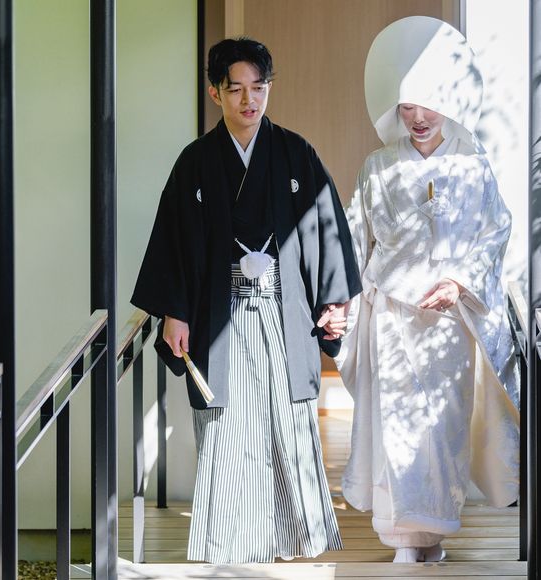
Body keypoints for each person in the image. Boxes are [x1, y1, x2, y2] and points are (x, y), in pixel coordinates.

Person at [132, 37, 362, 564]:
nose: (249, 100)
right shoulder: (195, 162)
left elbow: (327, 228)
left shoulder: (296, 153)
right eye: (235, 89)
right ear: (216, 92)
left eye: (259, 88)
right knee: (228, 429)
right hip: (220, 318)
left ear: (268, 89)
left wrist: (334, 300)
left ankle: (287, 540)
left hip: (283, 314)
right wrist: (175, 312)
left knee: (284, 422)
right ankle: (230, 545)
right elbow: (173, 240)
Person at [335, 16, 520, 564]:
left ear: (448, 103)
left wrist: (459, 281)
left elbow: (496, 231)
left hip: (449, 321)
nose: (418, 118)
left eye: (429, 106)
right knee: (397, 425)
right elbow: (353, 237)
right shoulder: (376, 166)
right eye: (408, 107)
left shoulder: (472, 165)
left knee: (442, 427)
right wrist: (340, 302)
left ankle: (433, 535)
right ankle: (402, 540)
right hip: (393, 316)